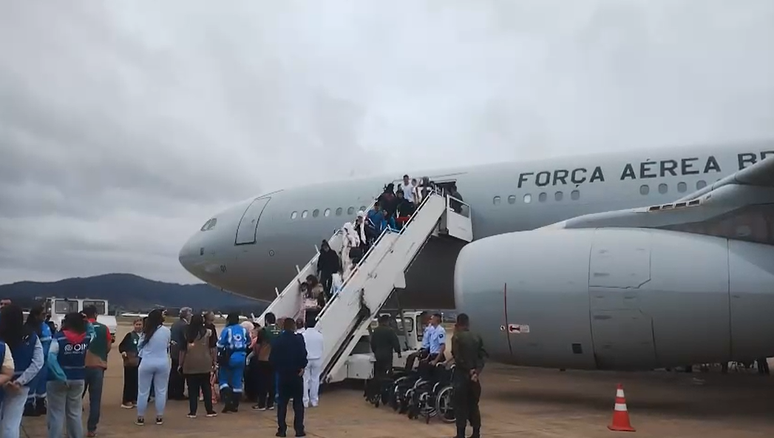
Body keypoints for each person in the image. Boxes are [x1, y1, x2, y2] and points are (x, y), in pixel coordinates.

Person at [46, 312, 93, 438]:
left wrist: (60, 374)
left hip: (58, 380)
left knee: (56, 413)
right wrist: (87, 322)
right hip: (78, 378)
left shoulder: (59, 337)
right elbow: (93, 333)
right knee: (75, 413)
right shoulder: (86, 337)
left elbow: (51, 357)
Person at [0, 303, 43, 438]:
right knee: (11, 424)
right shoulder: (31, 336)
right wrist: (20, 381)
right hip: (20, 386)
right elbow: (38, 362)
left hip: (1, 381)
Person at [448, 313, 486, 438]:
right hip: (474, 378)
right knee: (474, 405)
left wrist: (468, 369)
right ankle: (476, 433)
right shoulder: (477, 336)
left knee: (460, 406)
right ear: (468, 323)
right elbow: (483, 355)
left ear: (457, 323)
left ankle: (461, 434)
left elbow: (457, 356)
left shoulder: (457, 337)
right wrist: (476, 371)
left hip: (461, 376)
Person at [270, 318, 307, 437]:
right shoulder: (299, 339)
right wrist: (302, 366)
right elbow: (303, 355)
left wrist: (279, 369)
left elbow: (272, 358)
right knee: (298, 403)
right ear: (294, 326)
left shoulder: (278, 341)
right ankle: (299, 429)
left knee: (282, 403)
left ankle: (282, 429)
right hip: (296, 374)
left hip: (283, 375)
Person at [136, 309, 172, 426]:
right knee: (161, 391)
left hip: (147, 362)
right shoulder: (166, 331)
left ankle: (140, 417)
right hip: (162, 362)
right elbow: (167, 345)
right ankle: (159, 416)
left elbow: (139, 347)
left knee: (143, 391)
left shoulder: (146, 332)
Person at [81, 305, 111, 437]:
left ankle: (72, 426)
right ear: (95, 314)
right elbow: (108, 346)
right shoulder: (104, 328)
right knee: (95, 400)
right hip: (98, 366)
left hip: (81, 367)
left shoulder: (80, 327)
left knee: (75, 399)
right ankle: (91, 429)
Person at [180, 314, 217, 418]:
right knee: (206, 387)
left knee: (192, 389)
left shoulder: (187, 334)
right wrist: (214, 361)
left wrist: (180, 364)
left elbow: (182, 351)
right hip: (205, 362)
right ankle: (209, 410)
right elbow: (213, 348)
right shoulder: (208, 332)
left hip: (190, 362)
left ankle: (193, 411)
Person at [217, 313, 250, 413]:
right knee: (237, 380)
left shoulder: (227, 330)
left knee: (223, 378)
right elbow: (248, 342)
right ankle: (235, 405)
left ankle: (228, 399)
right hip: (242, 356)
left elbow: (220, 344)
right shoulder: (243, 330)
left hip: (230, 356)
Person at [24, 305, 52, 417]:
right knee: (32, 384)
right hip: (35, 362)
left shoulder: (45, 326)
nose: (44, 316)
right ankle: (29, 406)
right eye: (42, 314)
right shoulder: (30, 329)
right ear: (36, 315)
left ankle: (40, 404)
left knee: (42, 385)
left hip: (45, 363)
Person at [368, 315, 400, 400]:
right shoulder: (390, 331)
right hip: (387, 356)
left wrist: (375, 351)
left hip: (378, 355)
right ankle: (385, 393)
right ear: (386, 321)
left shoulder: (376, 331)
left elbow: (373, 343)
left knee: (378, 373)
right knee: (387, 374)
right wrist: (398, 352)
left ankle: (375, 392)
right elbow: (395, 343)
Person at [253, 312, 280, 411]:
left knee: (263, 382)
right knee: (272, 381)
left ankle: (261, 404)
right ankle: (270, 403)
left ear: (266, 320)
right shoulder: (279, 330)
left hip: (264, 359)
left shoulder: (263, 330)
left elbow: (258, 345)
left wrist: (256, 354)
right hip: (275, 359)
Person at [119, 318, 143, 409]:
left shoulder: (145, 336)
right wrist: (123, 352)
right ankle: (126, 400)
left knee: (138, 381)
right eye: (137, 324)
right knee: (129, 381)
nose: (138, 326)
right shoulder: (129, 335)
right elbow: (122, 346)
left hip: (141, 360)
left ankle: (135, 398)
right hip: (130, 361)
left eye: (140, 324)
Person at [169, 307, 192, 401]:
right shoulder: (184, 325)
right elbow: (187, 338)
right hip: (180, 351)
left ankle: (171, 392)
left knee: (173, 371)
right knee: (180, 372)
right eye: (190, 313)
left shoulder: (175, 324)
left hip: (174, 350)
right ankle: (178, 393)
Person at [301, 318, 323, 408]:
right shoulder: (320, 335)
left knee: (305, 380)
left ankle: (305, 401)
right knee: (315, 379)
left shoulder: (303, 335)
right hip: (317, 358)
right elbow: (322, 347)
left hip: (306, 359)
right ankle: (314, 400)